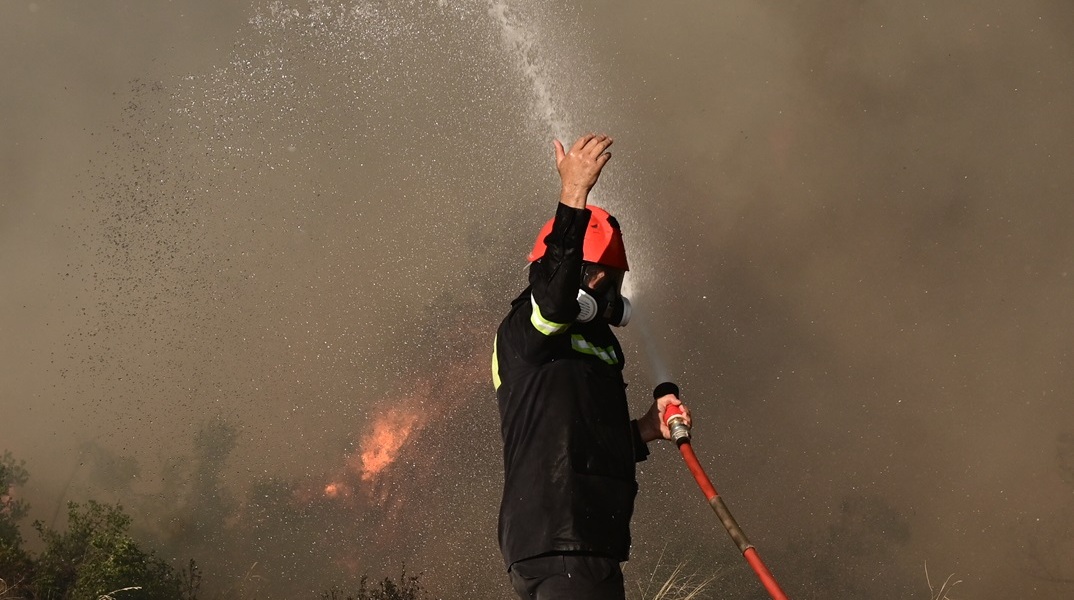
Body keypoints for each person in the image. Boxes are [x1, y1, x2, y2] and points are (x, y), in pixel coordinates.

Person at [491, 133, 692, 600]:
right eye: (605, 276)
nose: (611, 292)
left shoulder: (593, 345)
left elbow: (579, 441)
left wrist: (644, 430)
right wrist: (573, 197)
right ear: (582, 274)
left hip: (589, 544)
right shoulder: (529, 328)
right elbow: (553, 302)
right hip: (561, 542)